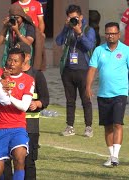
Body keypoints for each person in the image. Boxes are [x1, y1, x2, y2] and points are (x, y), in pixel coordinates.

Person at [86, 22, 129, 167]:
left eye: (113, 33)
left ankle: (116, 156)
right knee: (108, 126)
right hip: (103, 94)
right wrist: (88, 86)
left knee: (117, 123)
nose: (110, 36)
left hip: (120, 93)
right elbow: (92, 69)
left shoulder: (126, 50)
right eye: (108, 33)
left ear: (119, 34)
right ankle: (111, 156)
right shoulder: (99, 50)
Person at [0, 47, 35, 180]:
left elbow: (24, 106)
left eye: (16, 61)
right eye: (9, 59)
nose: (11, 63)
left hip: (18, 127)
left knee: (19, 157)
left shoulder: (28, 80)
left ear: (23, 64)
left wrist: (7, 94)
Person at [55, 4, 95, 137]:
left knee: (86, 99)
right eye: (71, 18)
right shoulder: (68, 28)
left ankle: (88, 127)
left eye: (75, 18)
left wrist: (79, 33)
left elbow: (90, 45)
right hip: (68, 69)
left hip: (83, 69)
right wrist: (66, 28)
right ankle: (69, 126)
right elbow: (58, 41)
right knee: (70, 100)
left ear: (81, 17)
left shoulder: (88, 29)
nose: (73, 20)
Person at [20, 42, 49, 179]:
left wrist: (37, 103)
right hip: (13, 124)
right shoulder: (8, 75)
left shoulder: (36, 75)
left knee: (29, 161)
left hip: (31, 127)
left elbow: (46, 99)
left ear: (27, 57)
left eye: (19, 56)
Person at [0, 3, 35, 67]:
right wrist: (4, 27)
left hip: (23, 62)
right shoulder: (9, 26)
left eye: (17, 18)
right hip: (9, 60)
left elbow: (28, 42)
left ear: (22, 17)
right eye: (13, 18)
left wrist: (17, 31)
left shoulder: (28, 26)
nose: (15, 20)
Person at [15, 0, 47, 71]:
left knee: (36, 58)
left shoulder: (37, 4)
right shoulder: (15, 5)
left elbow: (41, 21)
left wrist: (40, 35)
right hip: (20, 35)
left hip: (34, 35)